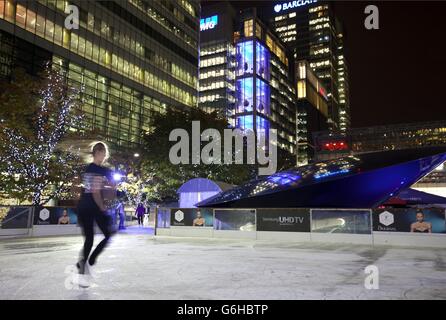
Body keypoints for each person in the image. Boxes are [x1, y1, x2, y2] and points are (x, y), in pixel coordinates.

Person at [75, 142, 115, 286]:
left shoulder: (90, 168)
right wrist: (102, 207)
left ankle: (83, 263)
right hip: (92, 206)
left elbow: (100, 189)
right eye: (103, 153)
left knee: (90, 239)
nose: (104, 156)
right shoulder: (98, 170)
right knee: (108, 234)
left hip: (84, 206)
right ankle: (89, 260)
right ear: (98, 152)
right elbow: (95, 191)